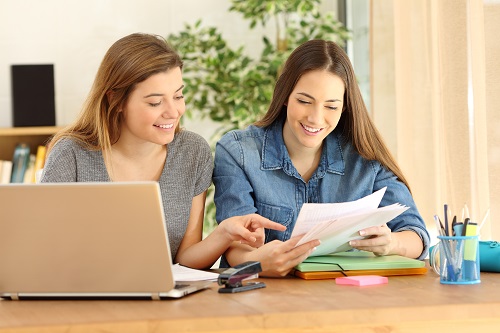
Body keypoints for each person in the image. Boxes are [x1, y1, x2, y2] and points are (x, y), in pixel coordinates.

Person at [40, 32, 285, 270]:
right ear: (116, 101)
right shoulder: (70, 154)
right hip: (84, 296)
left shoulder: (192, 152)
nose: (173, 112)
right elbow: (44, 250)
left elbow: (185, 260)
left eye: (178, 96)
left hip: (162, 300)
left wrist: (223, 233)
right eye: (155, 102)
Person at [213, 39, 430, 277]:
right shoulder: (239, 151)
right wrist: (259, 263)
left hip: (347, 296)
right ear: (285, 95)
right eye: (304, 101)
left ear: (345, 107)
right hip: (266, 300)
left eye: (331, 106)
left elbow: (416, 234)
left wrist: (392, 243)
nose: (316, 119)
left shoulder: (364, 156)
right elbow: (234, 246)